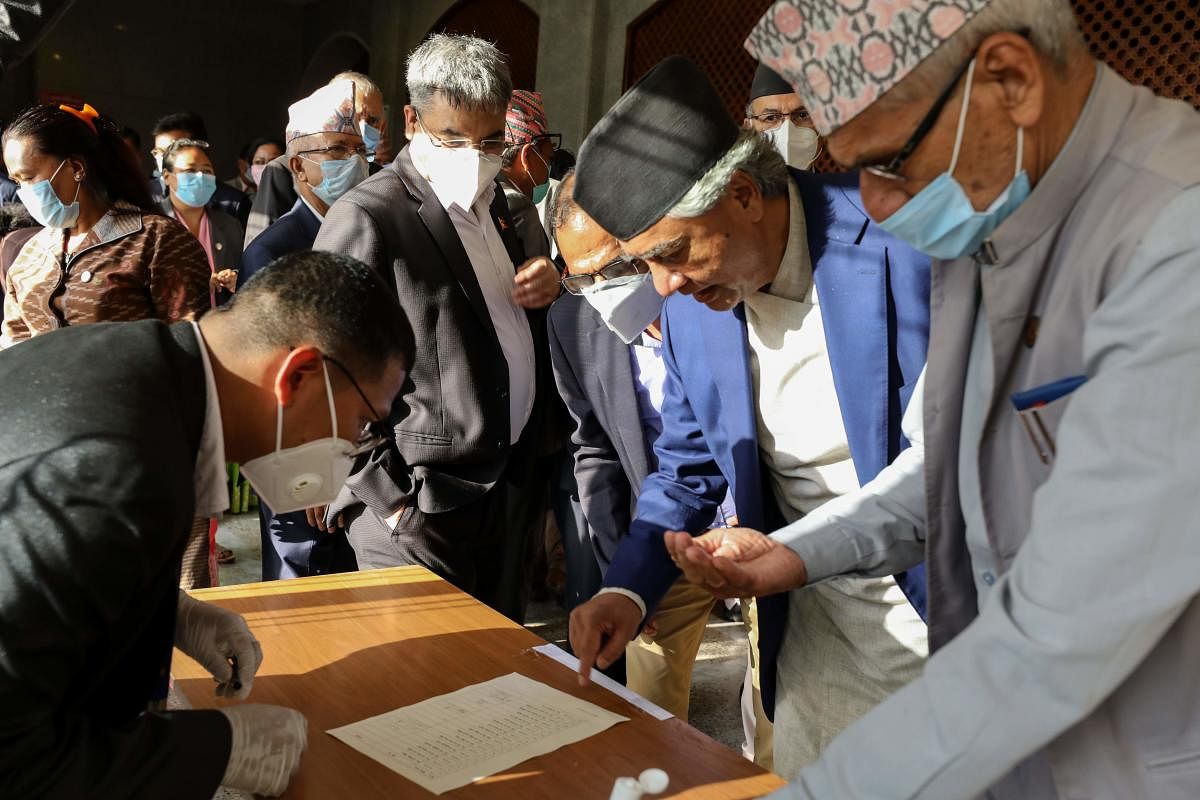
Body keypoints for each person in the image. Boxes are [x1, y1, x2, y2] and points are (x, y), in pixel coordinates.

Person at [660, 1, 1200, 797]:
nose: (872, 207)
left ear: (1009, 80)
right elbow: (939, 472)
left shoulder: (1172, 237)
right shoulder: (993, 207)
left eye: (888, 159)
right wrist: (802, 549)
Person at [568, 56, 931, 774]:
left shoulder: (909, 245)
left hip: (944, 615)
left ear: (742, 194)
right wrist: (626, 589)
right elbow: (687, 467)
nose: (665, 287)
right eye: (646, 266)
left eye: (673, 253)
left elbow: (954, 463)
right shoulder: (691, 314)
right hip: (814, 635)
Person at [0, 249, 414, 798]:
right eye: (363, 425)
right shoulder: (122, 469)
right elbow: (15, 757)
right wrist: (214, 748)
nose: (354, 449)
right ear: (300, 375)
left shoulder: (137, 364)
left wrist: (159, 611)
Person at [314, 33, 562, 623]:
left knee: (495, 682)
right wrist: (387, 497)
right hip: (419, 507)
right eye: (452, 138)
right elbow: (320, 369)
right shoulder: (370, 216)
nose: (473, 155)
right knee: (423, 693)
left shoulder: (503, 209)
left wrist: (552, 285)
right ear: (411, 121)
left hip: (505, 491)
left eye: (491, 140)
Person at [241, 79, 370, 580]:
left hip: (362, 459)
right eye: (337, 150)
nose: (354, 161)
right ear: (298, 166)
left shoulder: (365, 231)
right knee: (303, 585)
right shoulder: (274, 252)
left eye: (358, 149)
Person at [1, 103, 210, 348]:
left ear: (76, 168)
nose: (24, 191)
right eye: (16, 181)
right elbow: (12, 347)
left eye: (28, 178)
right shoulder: (31, 253)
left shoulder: (156, 240)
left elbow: (190, 347)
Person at [245, 71, 387, 246]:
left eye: (372, 120)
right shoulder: (282, 171)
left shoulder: (381, 177)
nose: (361, 127)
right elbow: (262, 246)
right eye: (356, 117)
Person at [159, 138, 242, 304]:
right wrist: (194, 281)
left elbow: (245, 271)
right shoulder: (151, 224)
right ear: (167, 177)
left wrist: (235, 277)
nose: (200, 177)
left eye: (207, 171)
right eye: (190, 170)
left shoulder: (229, 225)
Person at [149, 111, 251, 227]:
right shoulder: (144, 195)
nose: (164, 157)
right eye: (158, 152)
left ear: (199, 148)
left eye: (172, 149)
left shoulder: (234, 203)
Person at [500, 89, 556, 260]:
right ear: (526, 156)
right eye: (548, 157)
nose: (549, 165)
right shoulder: (517, 204)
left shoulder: (483, 189)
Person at [745, 62, 821, 171]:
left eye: (802, 115)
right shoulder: (730, 188)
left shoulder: (852, 187)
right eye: (771, 118)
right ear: (748, 129)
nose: (788, 132)